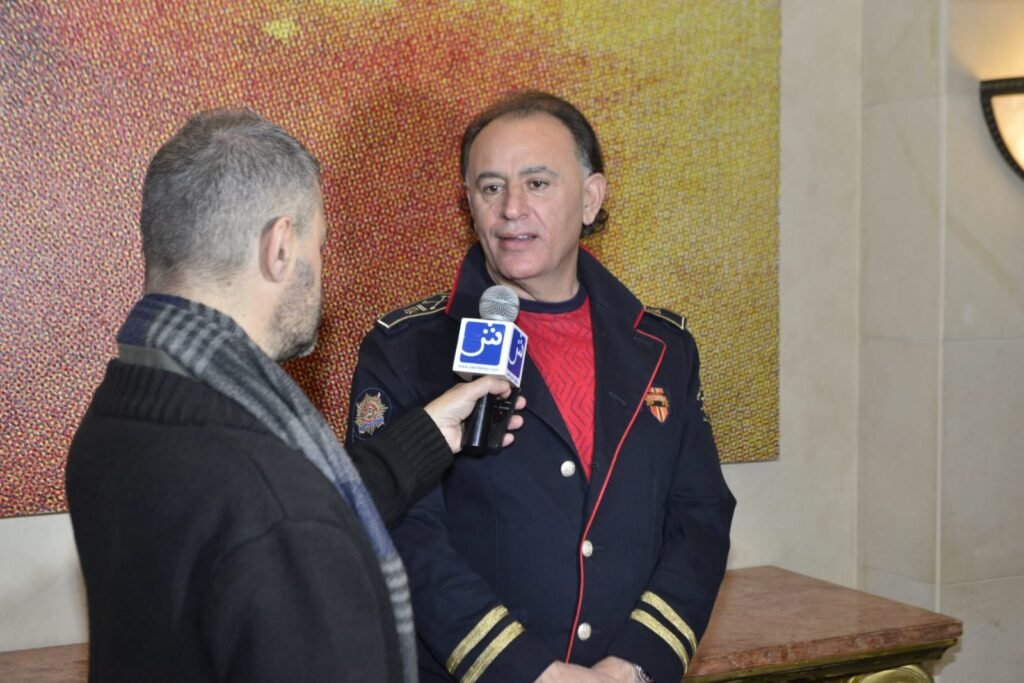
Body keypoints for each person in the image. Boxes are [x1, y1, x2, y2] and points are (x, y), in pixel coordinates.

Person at [65, 108, 525, 683]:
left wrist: (426, 436)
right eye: (320, 246)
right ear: (280, 246)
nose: (321, 270)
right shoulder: (272, 500)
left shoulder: (118, 414)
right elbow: (285, 513)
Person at [347, 91, 736, 683]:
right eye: (491, 187)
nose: (511, 209)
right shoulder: (407, 348)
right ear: (469, 204)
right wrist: (532, 672)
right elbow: (401, 532)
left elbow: (699, 517)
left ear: (591, 198)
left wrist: (632, 666)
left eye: (537, 183)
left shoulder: (664, 347)